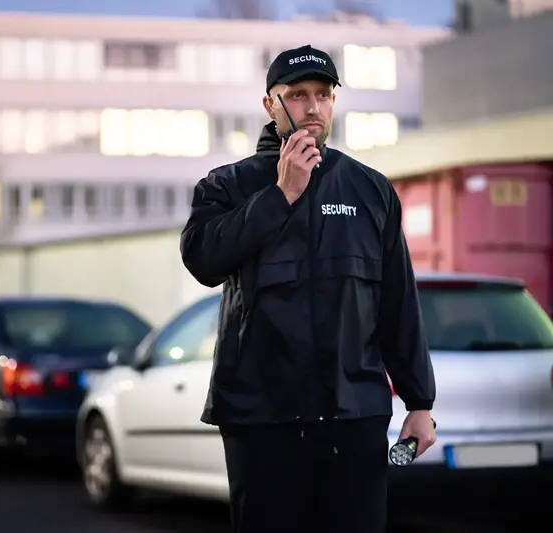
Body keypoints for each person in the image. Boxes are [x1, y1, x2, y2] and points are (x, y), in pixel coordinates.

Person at [179, 44, 437, 533]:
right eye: (297, 95)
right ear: (270, 104)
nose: (313, 107)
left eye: (323, 94)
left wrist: (419, 403)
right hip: (263, 421)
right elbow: (203, 261)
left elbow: (398, 305)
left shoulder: (370, 189)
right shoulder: (227, 186)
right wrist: (282, 194)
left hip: (353, 418)